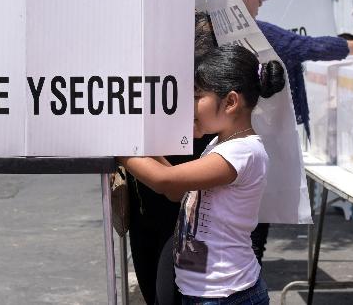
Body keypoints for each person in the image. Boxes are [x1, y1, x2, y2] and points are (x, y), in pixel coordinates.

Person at [222, 0, 353, 265]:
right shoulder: (255, 33)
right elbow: (304, 46)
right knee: (250, 237)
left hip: (213, 147)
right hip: (244, 147)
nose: (260, 2)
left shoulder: (207, 30)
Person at [121, 44, 285, 305]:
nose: (190, 105)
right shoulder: (219, 145)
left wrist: (117, 145)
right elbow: (176, 189)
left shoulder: (242, 153)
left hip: (226, 295)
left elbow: (164, 181)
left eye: (197, 97)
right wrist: (143, 146)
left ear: (230, 101)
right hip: (205, 291)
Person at [127, 13, 215, 304]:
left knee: (174, 297)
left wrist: (120, 143)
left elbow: (173, 187)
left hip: (185, 224)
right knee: (155, 292)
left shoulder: (227, 145)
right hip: (144, 211)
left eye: (197, 93)